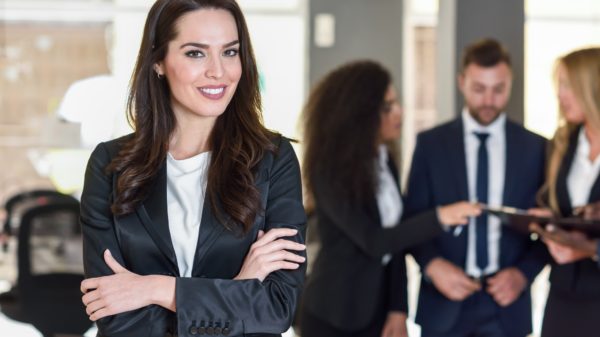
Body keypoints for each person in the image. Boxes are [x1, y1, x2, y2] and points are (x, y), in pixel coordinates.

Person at [78, 1, 307, 336]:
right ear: (158, 62)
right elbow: (115, 317)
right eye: (196, 53)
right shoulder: (110, 164)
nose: (218, 71)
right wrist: (238, 288)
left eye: (230, 52)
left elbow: (277, 307)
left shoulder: (273, 159)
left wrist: (156, 289)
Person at [298, 60, 481, 337]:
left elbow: (396, 242)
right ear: (360, 114)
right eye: (387, 107)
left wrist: (398, 309)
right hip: (335, 314)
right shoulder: (328, 171)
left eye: (396, 103)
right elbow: (375, 241)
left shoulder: (384, 160)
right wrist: (440, 216)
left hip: (378, 310)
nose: (399, 112)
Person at [404, 38, 548, 337]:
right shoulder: (431, 144)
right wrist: (432, 266)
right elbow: (411, 219)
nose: (488, 100)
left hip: (508, 307)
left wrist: (523, 275)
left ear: (510, 82)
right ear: (462, 82)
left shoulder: (536, 148)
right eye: (479, 89)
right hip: (442, 304)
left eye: (499, 89)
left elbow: (548, 224)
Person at [530, 46, 600, 337]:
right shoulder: (562, 144)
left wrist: (586, 248)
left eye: (567, 85)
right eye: (558, 85)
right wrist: (549, 221)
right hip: (563, 296)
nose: (560, 94)